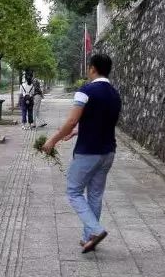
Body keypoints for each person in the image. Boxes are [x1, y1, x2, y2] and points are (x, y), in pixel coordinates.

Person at [41, 53, 122, 254]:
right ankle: (89, 238)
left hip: (88, 152)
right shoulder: (114, 93)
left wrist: (52, 140)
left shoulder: (86, 90)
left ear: (93, 68)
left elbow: (71, 121)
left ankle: (96, 229)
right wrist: (80, 130)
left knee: (74, 191)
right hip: (108, 151)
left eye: (88, 68)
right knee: (95, 194)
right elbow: (102, 121)